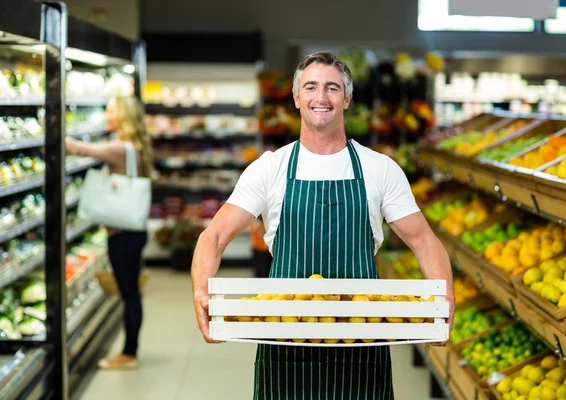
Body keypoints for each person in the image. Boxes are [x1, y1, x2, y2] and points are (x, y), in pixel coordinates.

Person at [191, 51, 455, 399]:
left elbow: (423, 240)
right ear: (297, 98)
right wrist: (200, 291)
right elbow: (215, 235)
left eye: (332, 88)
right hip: (285, 341)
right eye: (311, 87)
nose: (321, 97)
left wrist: (444, 299)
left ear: (346, 99)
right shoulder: (270, 168)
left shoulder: (379, 169)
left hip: (362, 340)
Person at [65, 95, 153, 370]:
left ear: (123, 116)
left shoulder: (120, 147)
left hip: (123, 235)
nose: (106, 113)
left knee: (128, 294)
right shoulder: (135, 146)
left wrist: (52, 126)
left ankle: (129, 354)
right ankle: (130, 351)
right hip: (132, 233)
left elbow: (77, 148)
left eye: (111, 110)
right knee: (131, 294)